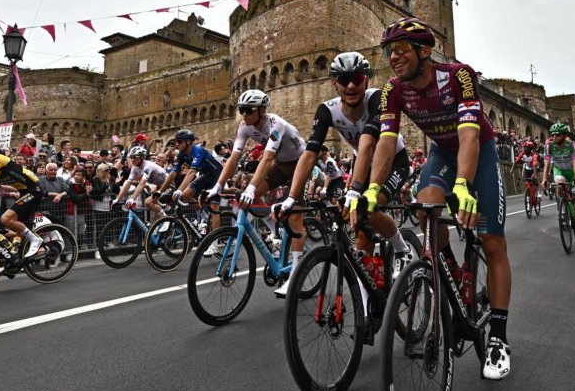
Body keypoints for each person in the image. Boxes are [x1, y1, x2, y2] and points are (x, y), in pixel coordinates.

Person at [366, 17, 512, 380]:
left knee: (493, 243)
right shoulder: (393, 89)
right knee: (425, 206)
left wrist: (462, 185)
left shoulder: (459, 76)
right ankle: (449, 267)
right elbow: (386, 142)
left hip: (479, 149)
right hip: (442, 153)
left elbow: (469, 135)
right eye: (389, 50)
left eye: (402, 48)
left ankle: (498, 337)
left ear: (425, 51)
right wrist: (372, 189)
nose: (394, 56)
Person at [278, 51, 412, 298]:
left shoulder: (377, 99)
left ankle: (403, 249)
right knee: (360, 231)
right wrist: (292, 197)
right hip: (364, 164)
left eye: (357, 79)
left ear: (366, 80)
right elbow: (310, 154)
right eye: (344, 79)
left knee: (369, 208)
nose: (351, 85)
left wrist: (354, 190)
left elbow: (368, 144)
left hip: (393, 162)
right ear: (334, 83)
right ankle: (367, 301)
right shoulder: (327, 110)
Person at [209, 89, 307, 278]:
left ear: (262, 110)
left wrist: (251, 187)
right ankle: (276, 232)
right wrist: (218, 186)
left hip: (300, 163)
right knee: (251, 197)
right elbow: (234, 158)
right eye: (241, 110)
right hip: (281, 164)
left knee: (295, 217)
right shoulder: (244, 127)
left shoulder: (276, 124)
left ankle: (296, 274)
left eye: (249, 110)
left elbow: (267, 158)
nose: (244, 114)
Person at [157, 129, 224, 232]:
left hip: (218, 176)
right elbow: (173, 172)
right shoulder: (182, 154)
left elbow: (192, 172)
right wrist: (159, 191)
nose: (176, 144)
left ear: (188, 142)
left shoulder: (198, 150)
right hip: (206, 175)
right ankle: (203, 216)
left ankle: (215, 240)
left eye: (179, 141)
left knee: (213, 207)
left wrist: (179, 190)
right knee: (186, 195)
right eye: (175, 141)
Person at [543, 123, 575, 240]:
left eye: (557, 135)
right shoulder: (549, 145)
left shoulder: (573, 144)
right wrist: (544, 180)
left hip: (572, 172)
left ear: (564, 135)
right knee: (560, 185)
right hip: (559, 171)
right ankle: (563, 209)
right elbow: (546, 164)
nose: (554, 137)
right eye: (552, 135)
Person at [111, 145, 168, 219]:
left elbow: (142, 184)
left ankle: (167, 219)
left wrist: (132, 198)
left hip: (168, 185)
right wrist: (117, 199)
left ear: (141, 157)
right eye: (131, 157)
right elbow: (128, 183)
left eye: (134, 157)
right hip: (159, 186)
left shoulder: (148, 166)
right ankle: (164, 219)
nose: (132, 159)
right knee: (155, 217)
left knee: (148, 202)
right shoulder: (135, 168)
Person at [510, 140, 541, 205]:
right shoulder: (522, 154)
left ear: (530, 149)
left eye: (525, 148)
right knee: (527, 183)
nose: (524, 149)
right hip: (527, 169)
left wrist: (534, 174)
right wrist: (512, 170)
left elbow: (534, 165)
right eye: (523, 147)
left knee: (535, 181)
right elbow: (516, 162)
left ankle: (538, 194)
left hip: (534, 169)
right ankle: (528, 197)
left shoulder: (534, 155)